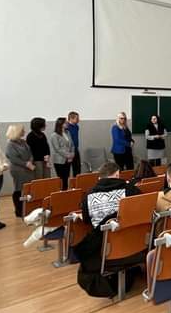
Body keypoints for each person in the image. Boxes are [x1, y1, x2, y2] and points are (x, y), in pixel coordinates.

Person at [73, 161, 140, 297]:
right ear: (117, 174)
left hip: (104, 250)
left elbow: (87, 221)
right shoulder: (131, 190)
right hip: (133, 245)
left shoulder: (88, 196)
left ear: (100, 177)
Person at [5, 124, 35, 217]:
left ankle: (27, 208)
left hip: (28, 168)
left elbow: (30, 153)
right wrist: (26, 164)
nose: (24, 132)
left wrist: (30, 161)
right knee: (19, 189)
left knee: (27, 189)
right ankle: (19, 210)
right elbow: (13, 158)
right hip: (18, 169)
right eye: (22, 130)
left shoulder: (23, 141)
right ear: (16, 132)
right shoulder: (10, 144)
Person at [49, 117, 74, 190]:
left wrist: (72, 154)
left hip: (68, 159)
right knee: (61, 178)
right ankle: (61, 192)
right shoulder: (54, 135)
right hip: (59, 160)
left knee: (66, 177)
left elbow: (72, 145)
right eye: (65, 123)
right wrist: (68, 155)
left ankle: (65, 191)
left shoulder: (68, 132)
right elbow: (58, 149)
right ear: (61, 124)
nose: (67, 124)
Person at [66, 111, 81, 177]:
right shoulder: (66, 127)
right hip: (68, 151)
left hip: (76, 149)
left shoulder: (76, 126)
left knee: (77, 168)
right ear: (71, 119)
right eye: (77, 118)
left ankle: (76, 182)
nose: (78, 120)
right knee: (67, 169)